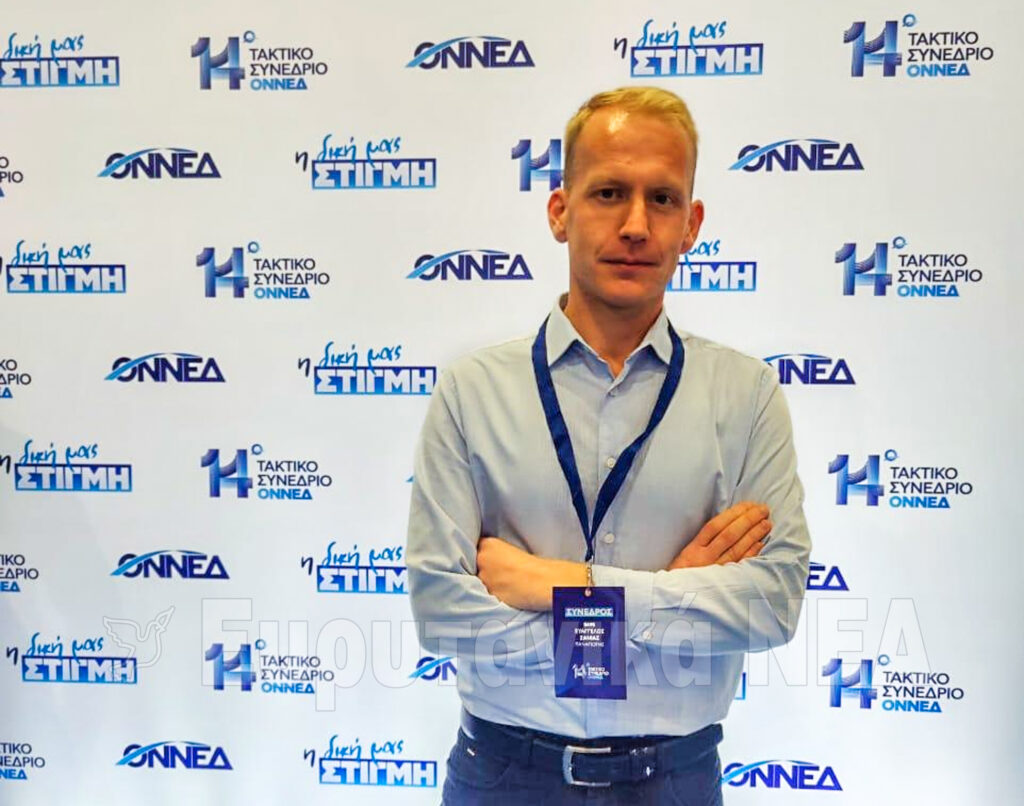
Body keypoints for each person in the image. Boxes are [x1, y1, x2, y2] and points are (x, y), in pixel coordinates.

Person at [407, 86, 811, 805]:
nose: (635, 225)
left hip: (674, 780)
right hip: (505, 776)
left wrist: (567, 586)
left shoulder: (746, 396)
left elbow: (772, 605)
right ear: (560, 211)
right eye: (609, 193)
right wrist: (667, 600)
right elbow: (442, 612)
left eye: (662, 199)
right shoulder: (471, 391)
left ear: (692, 224)